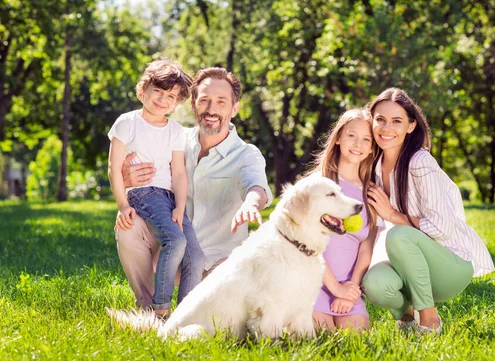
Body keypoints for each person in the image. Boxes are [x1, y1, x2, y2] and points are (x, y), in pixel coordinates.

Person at [114, 67, 273, 309]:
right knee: (129, 225)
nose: (211, 109)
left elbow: (256, 185)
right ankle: (148, 307)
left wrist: (252, 203)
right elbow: (143, 182)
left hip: (218, 263)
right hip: (171, 254)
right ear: (193, 105)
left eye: (221, 102)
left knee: (217, 315)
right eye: (205, 100)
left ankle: (188, 309)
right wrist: (126, 180)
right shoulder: (173, 138)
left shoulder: (246, 154)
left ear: (234, 108)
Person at [362, 88, 495, 334]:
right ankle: (408, 316)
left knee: (398, 234)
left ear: (411, 126)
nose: (386, 128)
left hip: (450, 265)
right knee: (373, 283)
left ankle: (429, 318)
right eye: (380, 120)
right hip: (409, 264)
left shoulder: (419, 162)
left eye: (396, 121)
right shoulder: (373, 167)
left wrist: (392, 215)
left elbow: (441, 228)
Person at [107, 59, 203, 318]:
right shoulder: (127, 123)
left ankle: (184, 316)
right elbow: (114, 168)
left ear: (177, 103)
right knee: (175, 240)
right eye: (158, 91)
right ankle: (160, 310)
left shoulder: (175, 131)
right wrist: (123, 204)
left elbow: (179, 172)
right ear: (143, 89)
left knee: (196, 257)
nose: (163, 100)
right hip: (145, 193)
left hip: (170, 197)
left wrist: (180, 207)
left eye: (171, 96)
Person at [310, 108, 382, 331]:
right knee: (321, 337)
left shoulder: (372, 192)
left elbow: (366, 245)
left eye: (366, 139)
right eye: (352, 135)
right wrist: (334, 288)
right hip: (312, 282)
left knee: (354, 339)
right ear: (339, 138)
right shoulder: (318, 185)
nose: (358, 144)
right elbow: (306, 245)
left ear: (372, 148)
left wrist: (351, 288)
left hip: (348, 287)